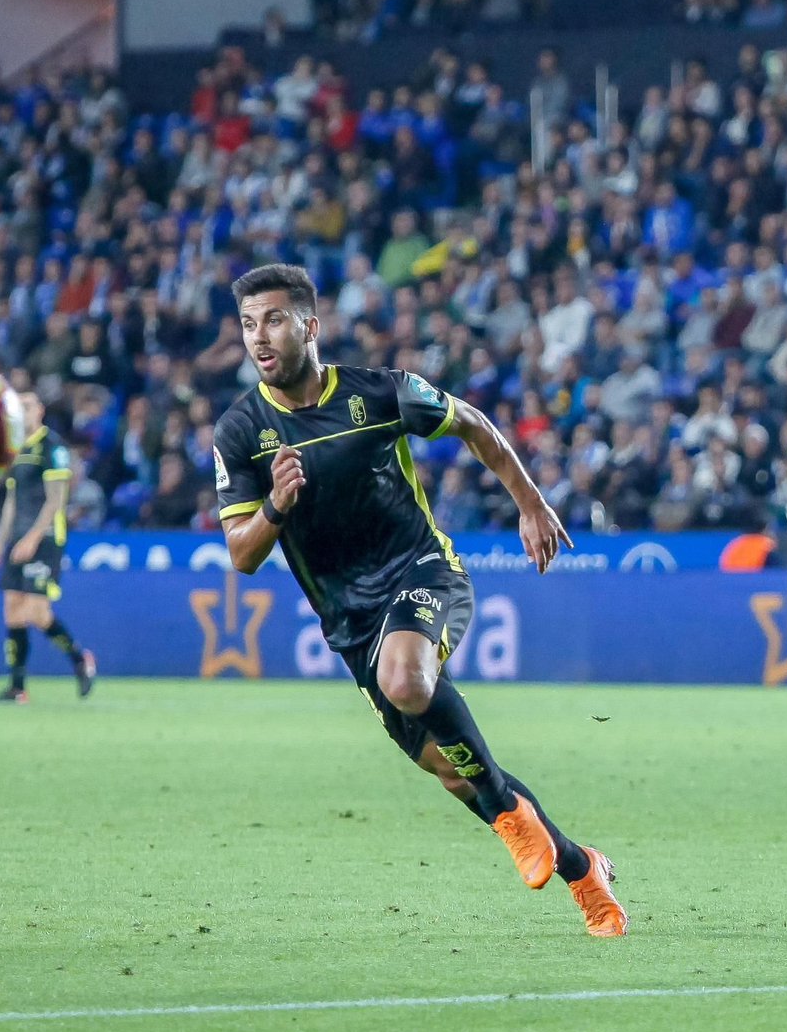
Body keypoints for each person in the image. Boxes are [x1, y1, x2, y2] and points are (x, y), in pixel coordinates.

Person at [213, 264, 626, 937]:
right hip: (350, 620)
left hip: (423, 570)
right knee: (451, 768)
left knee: (406, 678)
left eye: (275, 319)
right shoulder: (241, 433)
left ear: (310, 326)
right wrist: (278, 506)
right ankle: (583, 868)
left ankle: (507, 814)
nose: (260, 336)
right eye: (249, 323)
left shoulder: (380, 393)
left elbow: (472, 423)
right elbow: (242, 553)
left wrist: (529, 501)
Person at [0, 392, 96, 704]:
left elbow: (56, 500)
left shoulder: (53, 447)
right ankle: (18, 687)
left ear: (40, 411)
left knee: (35, 610)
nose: (23, 412)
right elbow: (11, 502)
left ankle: (78, 659)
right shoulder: (16, 449)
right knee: (12, 608)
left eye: (28, 406)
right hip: (17, 540)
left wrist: (33, 537)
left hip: (44, 540)